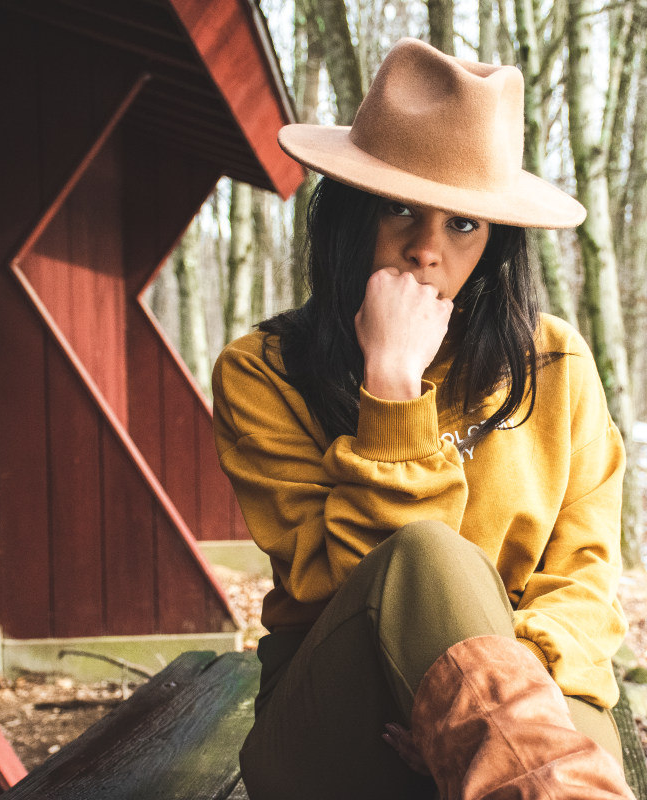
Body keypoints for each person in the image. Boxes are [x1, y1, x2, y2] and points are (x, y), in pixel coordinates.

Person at [212, 37, 636, 799]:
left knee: (568, 762)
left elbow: (585, 580)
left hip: (534, 687)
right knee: (428, 555)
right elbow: (330, 582)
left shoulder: (556, 365)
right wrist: (394, 383)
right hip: (341, 712)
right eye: (399, 207)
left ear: (497, 244)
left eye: (463, 224)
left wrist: (489, 693)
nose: (424, 250)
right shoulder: (263, 371)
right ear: (348, 214)